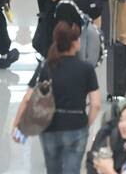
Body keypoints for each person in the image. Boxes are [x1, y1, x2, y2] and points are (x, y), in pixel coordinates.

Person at [26, 22, 101, 174]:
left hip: (50, 126)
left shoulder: (47, 66)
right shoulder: (86, 69)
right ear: (74, 43)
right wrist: (86, 124)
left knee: (52, 170)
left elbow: (29, 97)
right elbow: (96, 104)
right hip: (76, 126)